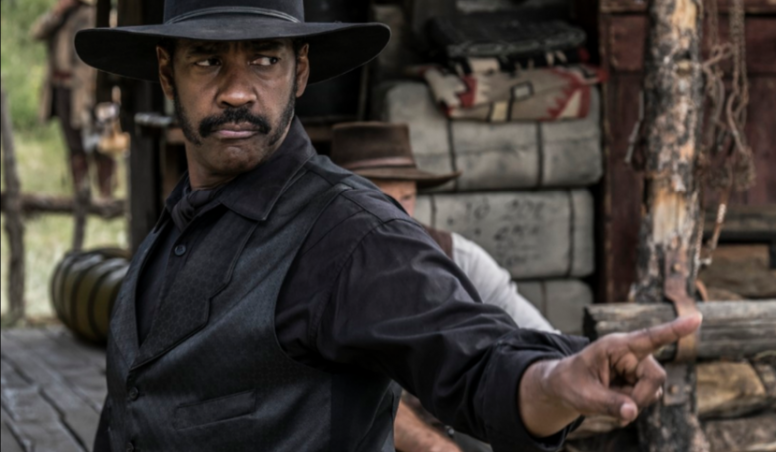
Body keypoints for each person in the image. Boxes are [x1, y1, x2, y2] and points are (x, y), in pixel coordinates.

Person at [75, 2, 701, 451]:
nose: (237, 91)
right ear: (167, 73)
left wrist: (552, 382)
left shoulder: (348, 235)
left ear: (300, 71)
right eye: (207, 60)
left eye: (264, 59)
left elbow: (474, 360)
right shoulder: (175, 225)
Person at [331, 122, 557, 452]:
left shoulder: (459, 257)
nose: (397, 211)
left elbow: (542, 341)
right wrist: (431, 445)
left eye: (407, 197)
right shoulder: (319, 269)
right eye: (378, 198)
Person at [31, 0, 116, 198]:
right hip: (63, 88)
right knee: (74, 144)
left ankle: (106, 197)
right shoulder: (61, 15)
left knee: (99, 142)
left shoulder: (94, 13)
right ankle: (81, 194)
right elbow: (37, 33)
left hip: (88, 90)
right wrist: (57, 13)